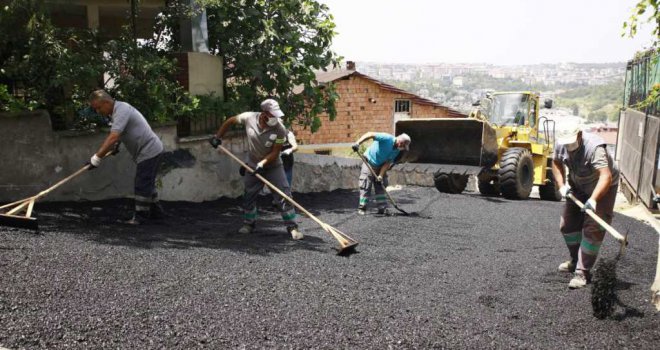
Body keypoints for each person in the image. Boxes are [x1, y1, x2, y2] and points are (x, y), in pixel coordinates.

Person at [210, 98, 303, 240]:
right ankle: (249, 224)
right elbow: (229, 121)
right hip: (252, 163)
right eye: (273, 115)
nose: (276, 118)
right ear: (264, 113)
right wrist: (218, 137)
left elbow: (275, 152)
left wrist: (263, 164)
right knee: (249, 195)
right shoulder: (248, 117)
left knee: (284, 195)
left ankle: (292, 227)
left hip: (273, 166)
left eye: (277, 115)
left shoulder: (280, 129)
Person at [551, 121, 620, 289]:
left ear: (580, 135)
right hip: (578, 185)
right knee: (567, 225)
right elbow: (556, 163)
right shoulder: (562, 144)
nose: (569, 146)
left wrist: (594, 199)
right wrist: (561, 185)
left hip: (603, 187)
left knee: (593, 228)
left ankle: (583, 272)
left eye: (572, 142)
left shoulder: (594, 148)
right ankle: (576, 261)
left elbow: (606, 177)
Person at [87, 89, 165, 225]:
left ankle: (141, 217)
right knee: (147, 182)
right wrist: (116, 147)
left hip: (150, 151)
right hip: (149, 151)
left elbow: (114, 136)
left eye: (99, 108)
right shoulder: (117, 111)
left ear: (106, 102)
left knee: (142, 184)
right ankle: (156, 212)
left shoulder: (121, 110)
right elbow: (121, 134)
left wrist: (96, 158)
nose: (98, 112)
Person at [352, 132, 411, 215]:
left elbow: (387, 162)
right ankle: (362, 208)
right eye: (403, 146)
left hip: (380, 166)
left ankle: (382, 208)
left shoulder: (396, 150)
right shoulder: (387, 138)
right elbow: (370, 134)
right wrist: (358, 143)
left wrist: (380, 175)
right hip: (369, 162)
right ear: (400, 142)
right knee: (366, 184)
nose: (403, 148)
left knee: (381, 185)